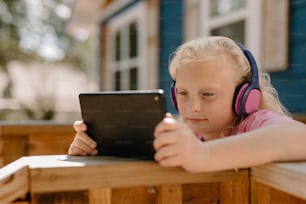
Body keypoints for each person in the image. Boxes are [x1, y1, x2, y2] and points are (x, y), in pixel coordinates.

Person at [68, 36, 306, 172]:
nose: (193, 107)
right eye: (183, 93)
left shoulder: (254, 122)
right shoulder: (187, 134)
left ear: (246, 96)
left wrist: (204, 156)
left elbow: (297, 138)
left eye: (208, 94)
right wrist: (92, 151)